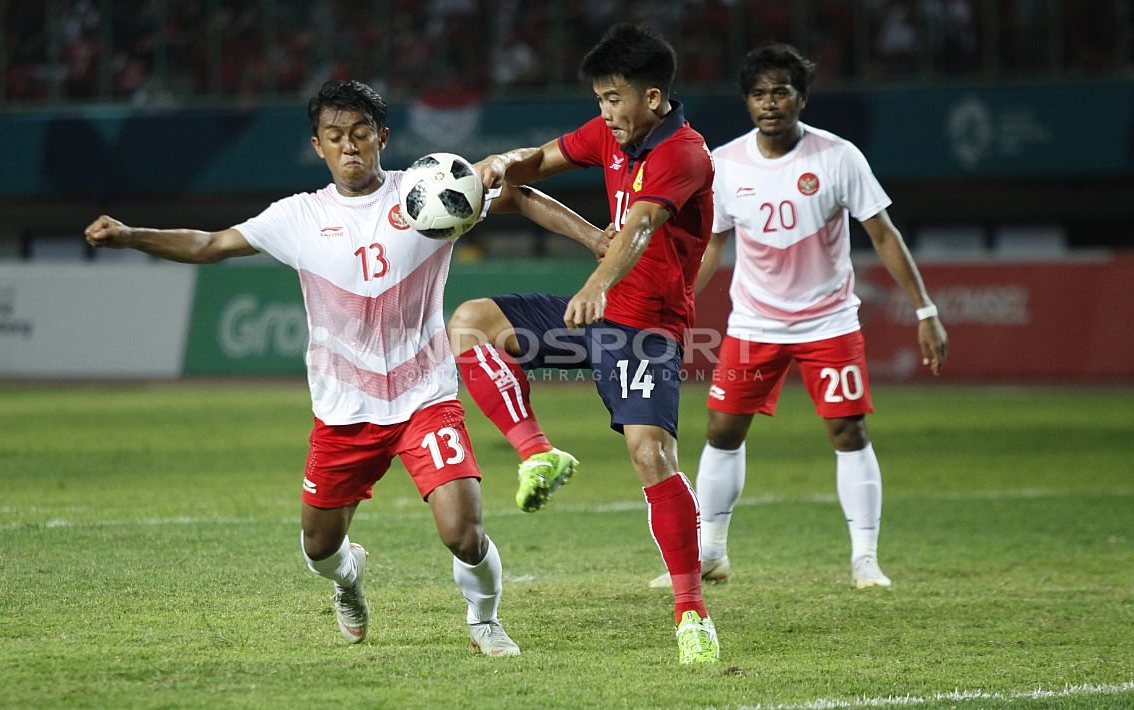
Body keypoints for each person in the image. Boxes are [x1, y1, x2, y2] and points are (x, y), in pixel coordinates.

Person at [83, 79, 610, 657]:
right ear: (318, 146)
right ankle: (348, 579)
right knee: (319, 547)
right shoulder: (298, 217)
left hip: (425, 397)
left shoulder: (428, 189)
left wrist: (590, 237)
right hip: (343, 412)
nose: (350, 146)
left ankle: (484, 619)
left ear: (382, 137)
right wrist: (132, 236)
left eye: (360, 134)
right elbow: (210, 243)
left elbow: (515, 193)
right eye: (335, 137)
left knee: (463, 533)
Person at [448, 23, 720, 665]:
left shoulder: (684, 153)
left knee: (651, 454)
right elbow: (539, 160)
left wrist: (600, 278)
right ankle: (537, 452)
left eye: (614, 98)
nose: (605, 112)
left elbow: (645, 227)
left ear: (653, 97)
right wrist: (498, 166)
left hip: (647, 328)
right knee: (470, 322)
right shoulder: (609, 134)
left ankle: (692, 613)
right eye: (599, 98)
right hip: (596, 319)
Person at [648, 44, 948, 591]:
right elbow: (712, 244)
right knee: (721, 431)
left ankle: (865, 560)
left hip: (828, 322)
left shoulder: (838, 157)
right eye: (759, 94)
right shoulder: (726, 164)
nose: (770, 103)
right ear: (747, 101)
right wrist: (681, 305)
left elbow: (883, 234)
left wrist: (926, 310)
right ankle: (711, 552)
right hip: (754, 324)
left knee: (847, 430)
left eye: (781, 92)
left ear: (801, 98)